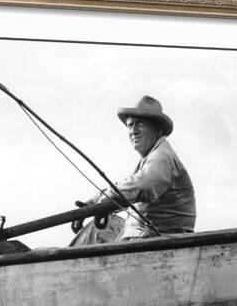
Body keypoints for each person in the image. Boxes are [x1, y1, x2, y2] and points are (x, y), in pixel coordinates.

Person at [76, 95, 196, 242]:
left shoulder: (162, 157)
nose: (133, 131)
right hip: (146, 239)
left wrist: (103, 202)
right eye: (130, 125)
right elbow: (128, 188)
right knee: (97, 230)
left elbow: (142, 185)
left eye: (140, 124)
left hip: (162, 242)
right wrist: (93, 203)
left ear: (158, 130)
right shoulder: (150, 159)